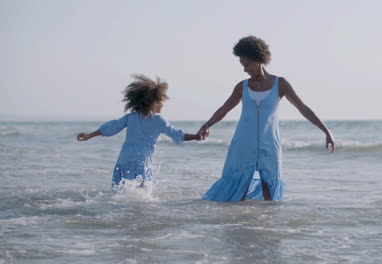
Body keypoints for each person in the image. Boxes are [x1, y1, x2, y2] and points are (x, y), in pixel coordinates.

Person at [198, 36, 335, 202]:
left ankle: (267, 225)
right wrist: (207, 124)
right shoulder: (242, 87)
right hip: (243, 144)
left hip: (269, 144)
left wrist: (326, 131)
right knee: (238, 186)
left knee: (269, 187)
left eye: (246, 64)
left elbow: (303, 108)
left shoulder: (280, 84)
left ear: (258, 60)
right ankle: (236, 223)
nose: (244, 69)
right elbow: (224, 109)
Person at [77, 75, 201, 188]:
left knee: (119, 191)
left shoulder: (131, 117)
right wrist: (196, 136)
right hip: (141, 160)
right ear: (154, 102)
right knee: (142, 195)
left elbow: (111, 128)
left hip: (124, 159)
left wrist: (89, 135)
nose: (163, 104)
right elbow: (177, 136)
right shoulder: (158, 120)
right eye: (162, 100)